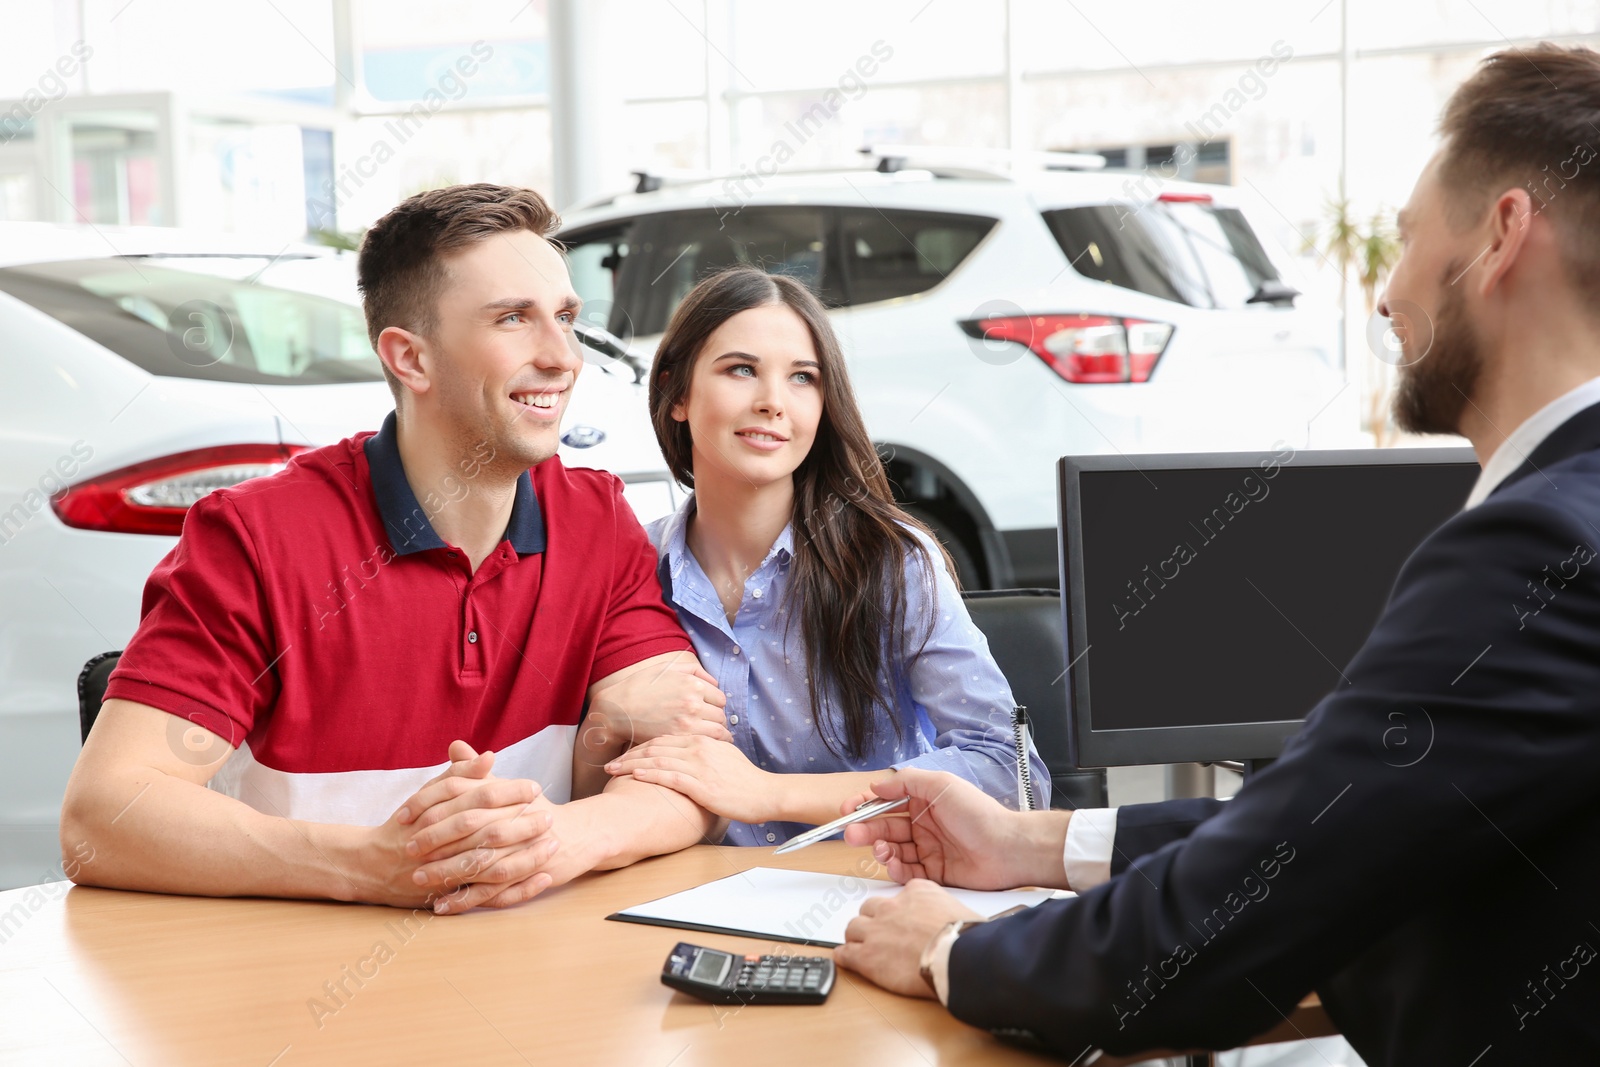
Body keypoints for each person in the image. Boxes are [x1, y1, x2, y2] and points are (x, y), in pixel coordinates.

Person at [830, 42, 1600, 1066]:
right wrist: (1032, 842)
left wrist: (960, 949)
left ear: (1502, 234)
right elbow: (1330, 824)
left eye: (1408, 238)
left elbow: (1238, 909)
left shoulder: (1537, 545)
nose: (1384, 292)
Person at [59, 184, 732, 914]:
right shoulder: (257, 538)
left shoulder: (596, 520)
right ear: (410, 358)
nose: (562, 356)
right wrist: (374, 864)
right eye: (514, 319)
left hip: (525, 984)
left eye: (566, 318)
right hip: (289, 995)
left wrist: (551, 841)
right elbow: (104, 816)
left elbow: (697, 778)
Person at [601, 266, 1049, 844]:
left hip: (868, 900)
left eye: (803, 379)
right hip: (686, 906)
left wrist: (769, 795)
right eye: (741, 370)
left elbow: (1010, 778)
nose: (772, 402)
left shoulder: (892, 563)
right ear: (676, 394)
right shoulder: (631, 569)